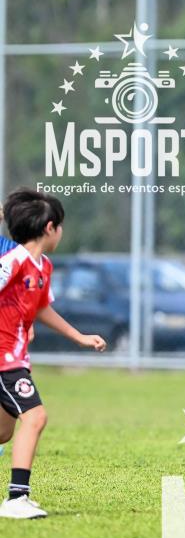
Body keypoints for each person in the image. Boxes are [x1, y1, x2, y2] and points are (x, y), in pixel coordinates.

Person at [0, 188, 107, 519]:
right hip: (4, 358)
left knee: (3, 432)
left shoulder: (43, 266)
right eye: (60, 226)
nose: (61, 231)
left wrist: (79, 337)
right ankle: (16, 498)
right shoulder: (13, 261)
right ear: (49, 228)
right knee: (35, 417)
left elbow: (41, 308)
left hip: (17, 357)